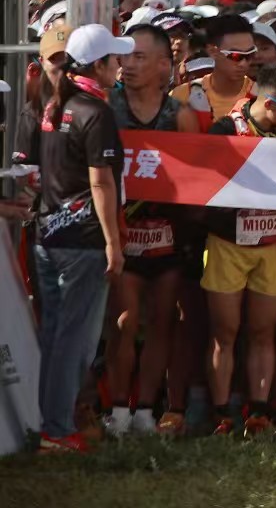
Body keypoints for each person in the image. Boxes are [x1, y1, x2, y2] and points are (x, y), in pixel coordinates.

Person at [30, 24, 131, 452]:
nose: (121, 65)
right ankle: (56, 429)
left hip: (47, 236)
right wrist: (113, 241)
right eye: (115, 58)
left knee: (56, 335)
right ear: (99, 64)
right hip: (82, 241)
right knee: (75, 340)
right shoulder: (95, 110)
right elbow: (101, 183)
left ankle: (54, 424)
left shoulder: (55, 104)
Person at [202, 63, 276, 436]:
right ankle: (220, 414)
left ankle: (258, 412)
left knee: (264, 331)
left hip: (275, 243)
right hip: (228, 244)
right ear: (269, 102)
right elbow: (205, 187)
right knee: (225, 331)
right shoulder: (225, 129)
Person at [106, 25, 193, 439]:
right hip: (121, 237)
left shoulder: (181, 116)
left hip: (167, 238)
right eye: (125, 56)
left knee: (162, 322)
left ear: (164, 65)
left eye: (140, 56)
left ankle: (145, 412)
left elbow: (198, 183)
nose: (128, 64)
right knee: (124, 321)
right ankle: (117, 410)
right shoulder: (107, 107)